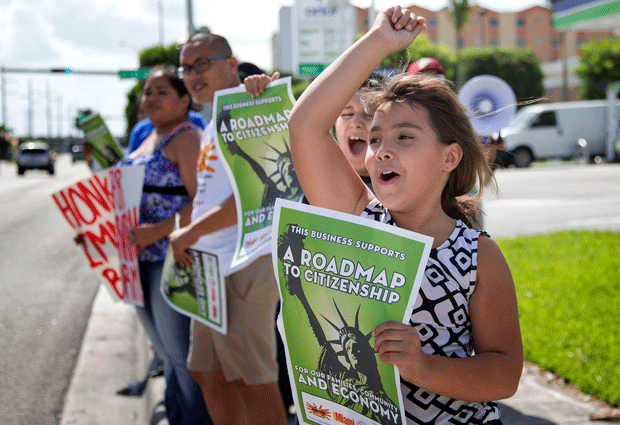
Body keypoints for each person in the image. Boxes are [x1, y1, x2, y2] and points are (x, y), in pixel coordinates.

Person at [287, 6, 522, 424]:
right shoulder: (356, 219)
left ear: (450, 156)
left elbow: (504, 375)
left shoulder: (477, 258)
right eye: (375, 139)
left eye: (404, 137)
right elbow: (305, 123)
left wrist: (421, 366)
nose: (382, 151)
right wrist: (379, 42)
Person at [169, 32, 288, 425]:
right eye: (186, 67)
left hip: (245, 261)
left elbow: (257, 195)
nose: (192, 74)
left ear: (232, 64)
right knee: (207, 370)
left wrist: (190, 232)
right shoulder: (209, 122)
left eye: (203, 63)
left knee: (253, 380)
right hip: (209, 263)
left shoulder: (252, 108)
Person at [118, 64, 212, 425]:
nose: (151, 98)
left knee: (181, 355)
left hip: (168, 258)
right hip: (136, 259)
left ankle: (195, 420)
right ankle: (177, 417)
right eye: (148, 92)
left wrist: (155, 231)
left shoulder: (186, 138)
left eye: (162, 92)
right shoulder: (147, 137)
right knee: (165, 352)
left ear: (185, 100)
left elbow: (201, 203)